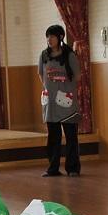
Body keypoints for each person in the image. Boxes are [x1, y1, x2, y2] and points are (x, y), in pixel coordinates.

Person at [39, 24, 81, 177]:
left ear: (60, 37)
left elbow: (77, 76)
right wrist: (49, 88)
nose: (49, 39)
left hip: (67, 102)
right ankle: (52, 168)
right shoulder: (44, 55)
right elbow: (40, 75)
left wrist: (63, 86)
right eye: (48, 36)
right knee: (53, 137)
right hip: (50, 103)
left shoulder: (69, 55)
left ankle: (73, 168)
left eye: (52, 36)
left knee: (71, 136)